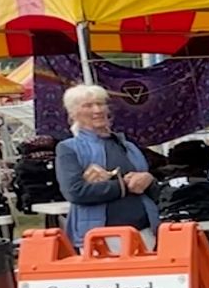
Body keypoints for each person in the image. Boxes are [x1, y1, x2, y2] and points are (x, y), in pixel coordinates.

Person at [54, 84, 160, 250]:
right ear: (73, 113)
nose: (97, 110)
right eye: (88, 105)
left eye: (100, 103)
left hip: (145, 232)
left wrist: (149, 180)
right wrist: (123, 186)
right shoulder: (69, 148)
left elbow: (152, 189)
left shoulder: (129, 147)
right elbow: (75, 192)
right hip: (101, 238)